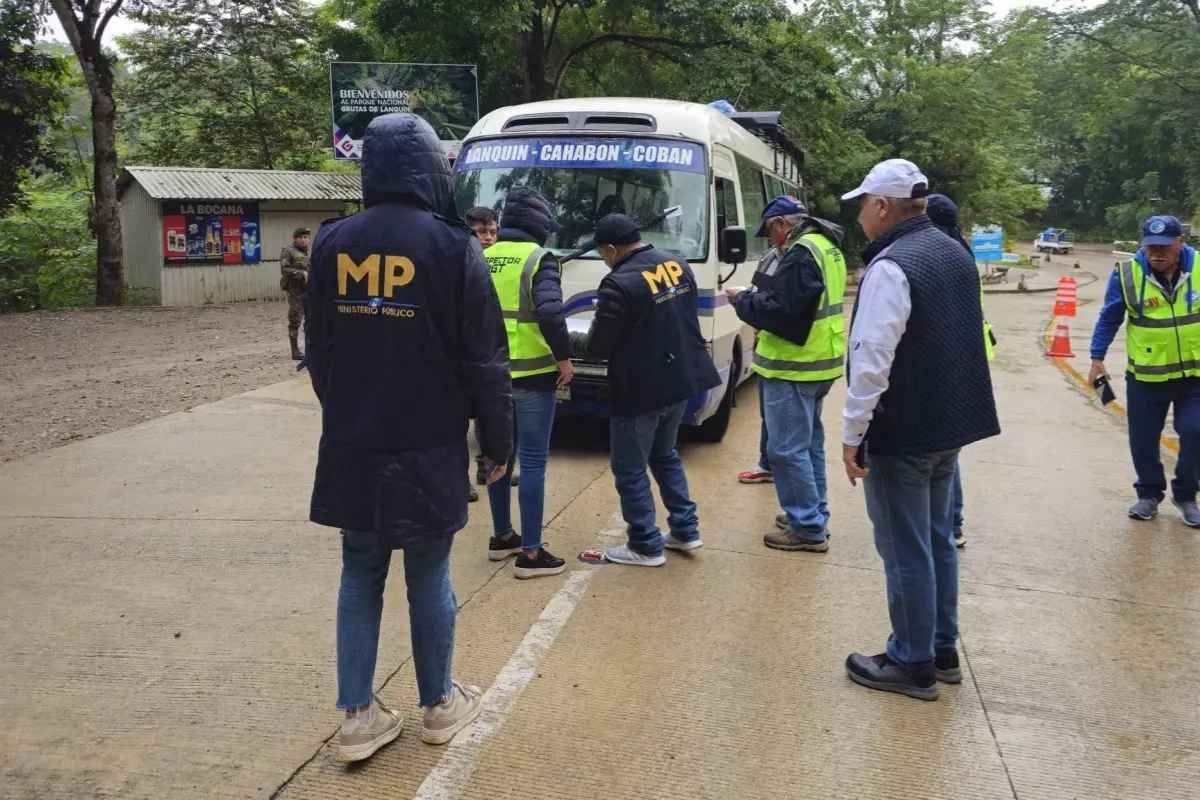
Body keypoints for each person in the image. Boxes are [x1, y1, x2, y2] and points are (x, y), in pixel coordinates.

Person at [305, 113, 513, 762]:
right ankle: (438, 705)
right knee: (428, 574)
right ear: (429, 167)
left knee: (359, 571)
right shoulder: (455, 249)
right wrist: (497, 443)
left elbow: (320, 352)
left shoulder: (332, 243)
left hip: (354, 442)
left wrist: (346, 414)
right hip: (429, 443)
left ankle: (358, 716)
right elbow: (486, 361)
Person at [839, 159, 1000, 701]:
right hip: (947, 426)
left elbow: (871, 359)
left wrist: (853, 432)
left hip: (904, 429)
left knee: (905, 546)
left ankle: (911, 662)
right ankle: (941, 646)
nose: (861, 212)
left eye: (863, 203)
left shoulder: (892, 266)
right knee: (935, 539)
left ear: (883, 207)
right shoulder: (952, 251)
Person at [571, 213, 721, 566]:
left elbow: (597, 348)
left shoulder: (618, 283)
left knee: (630, 467)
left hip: (641, 389)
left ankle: (644, 545)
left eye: (602, 253)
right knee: (665, 455)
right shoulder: (676, 263)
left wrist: (568, 338)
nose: (603, 259)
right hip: (681, 378)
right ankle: (685, 530)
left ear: (611, 248)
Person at [726, 196, 847, 553]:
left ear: (782, 224)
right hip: (820, 360)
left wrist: (743, 301)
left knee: (787, 450)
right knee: (808, 445)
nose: (771, 240)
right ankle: (812, 513)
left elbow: (785, 314)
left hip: (795, 364)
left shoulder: (801, 252)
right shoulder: (827, 245)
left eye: (770, 231)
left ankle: (807, 527)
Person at [482, 188, 573, 578]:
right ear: (540, 224)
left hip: (488, 378)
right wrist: (564, 358)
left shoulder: (481, 256)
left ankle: (503, 536)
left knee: (497, 457)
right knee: (533, 461)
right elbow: (551, 312)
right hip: (532, 376)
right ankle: (532, 554)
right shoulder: (539, 259)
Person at [1089, 214, 1200, 527]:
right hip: (1146, 376)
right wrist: (1097, 357)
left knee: (1195, 431)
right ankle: (1149, 493)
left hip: (1194, 376)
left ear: (1181, 243)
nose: (1157, 253)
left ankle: (1187, 494)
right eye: (1151, 247)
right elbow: (1110, 317)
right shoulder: (1127, 274)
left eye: (1165, 247)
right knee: (1143, 438)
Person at [926, 192, 996, 549]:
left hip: (951, 360)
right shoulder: (961, 252)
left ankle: (950, 523)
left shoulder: (940, 257)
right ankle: (951, 523)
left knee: (941, 452)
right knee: (948, 451)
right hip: (970, 358)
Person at [735, 246, 783, 485]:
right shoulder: (772, 255)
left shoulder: (795, 258)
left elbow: (770, 302)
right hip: (774, 350)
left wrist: (745, 302)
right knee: (770, 414)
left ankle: (805, 517)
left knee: (783, 423)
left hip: (788, 358)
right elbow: (759, 289)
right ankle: (767, 464)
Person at [280, 226, 311, 360]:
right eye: (301, 238)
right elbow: (284, 269)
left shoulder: (307, 252)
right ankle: (295, 351)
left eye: (306, 237)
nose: (304, 240)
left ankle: (310, 348)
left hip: (308, 290)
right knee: (295, 320)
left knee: (310, 320)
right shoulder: (288, 251)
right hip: (295, 292)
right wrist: (301, 273)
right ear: (295, 239)